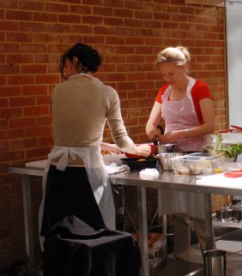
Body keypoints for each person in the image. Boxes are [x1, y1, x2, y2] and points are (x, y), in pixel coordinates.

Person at [40, 43, 150, 241]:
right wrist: (137, 151)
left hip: (57, 171)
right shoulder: (107, 93)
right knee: (93, 235)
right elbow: (121, 139)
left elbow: (75, 135)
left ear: (74, 61)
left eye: (65, 66)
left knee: (60, 233)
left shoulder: (58, 91)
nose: (65, 71)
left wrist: (105, 146)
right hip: (86, 173)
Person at [145, 46, 215, 261]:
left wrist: (181, 133)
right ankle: (182, 258)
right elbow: (150, 124)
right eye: (164, 74)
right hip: (172, 157)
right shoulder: (164, 91)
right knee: (178, 212)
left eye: (171, 74)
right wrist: (155, 132)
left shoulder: (199, 88)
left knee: (200, 213)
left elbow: (210, 125)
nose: (168, 78)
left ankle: (210, 258)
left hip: (198, 156)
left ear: (183, 67)